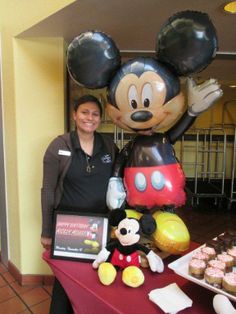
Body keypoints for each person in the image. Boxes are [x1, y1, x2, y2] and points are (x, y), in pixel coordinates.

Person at [40, 94, 118, 314]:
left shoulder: (109, 146)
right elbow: (47, 190)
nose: (89, 118)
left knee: (94, 278)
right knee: (66, 281)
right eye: (84, 112)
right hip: (67, 228)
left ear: (100, 119)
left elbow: (120, 182)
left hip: (99, 228)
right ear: (75, 115)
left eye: (95, 114)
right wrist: (47, 231)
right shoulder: (59, 146)